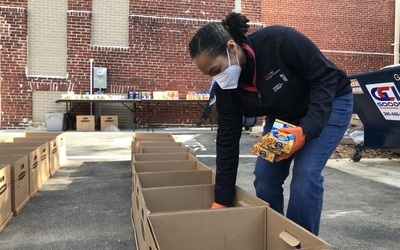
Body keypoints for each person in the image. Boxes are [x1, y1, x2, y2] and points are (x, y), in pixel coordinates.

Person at [188, 12, 353, 235]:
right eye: (211, 76)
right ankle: (277, 236)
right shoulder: (226, 91)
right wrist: (222, 199)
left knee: (305, 176)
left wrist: (307, 130)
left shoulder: (280, 41)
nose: (217, 79)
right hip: (285, 115)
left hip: (330, 101)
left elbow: (325, 78)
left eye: (216, 70)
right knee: (265, 177)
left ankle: (300, 242)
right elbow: (227, 143)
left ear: (231, 47)